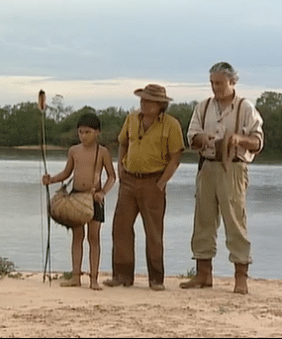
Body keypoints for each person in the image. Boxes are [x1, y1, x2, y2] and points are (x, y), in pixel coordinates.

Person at [179, 62, 264, 294]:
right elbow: (191, 137)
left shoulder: (245, 108)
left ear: (232, 82)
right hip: (207, 166)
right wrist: (202, 138)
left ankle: (240, 277)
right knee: (203, 221)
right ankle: (203, 274)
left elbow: (257, 142)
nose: (215, 87)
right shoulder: (204, 106)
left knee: (235, 221)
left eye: (219, 83)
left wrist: (238, 139)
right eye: (212, 83)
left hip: (234, 168)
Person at [102, 84, 185, 291]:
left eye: (149, 100)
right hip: (129, 180)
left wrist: (161, 183)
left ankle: (156, 279)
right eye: (142, 99)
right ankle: (122, 276)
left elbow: (175, 159)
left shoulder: (171, 125)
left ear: (160, 105)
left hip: (153, 182)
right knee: (120, 228)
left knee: (154, 232)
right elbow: (123, 143)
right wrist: (120, 167)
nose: (144, 103)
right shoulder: (131, 119)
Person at [42, 113, 116, 291]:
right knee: (77, 237)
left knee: (94, 238)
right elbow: (66, 173)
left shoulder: (102, 152)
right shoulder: (74, 151)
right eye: (81, 132)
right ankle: (76, 276)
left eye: (88, 132)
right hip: (76, 196)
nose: (83, 136)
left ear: (97, 132)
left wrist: (103, 192)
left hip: (94, 198)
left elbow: (112, 177)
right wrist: (51, 179)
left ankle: (94, 279)